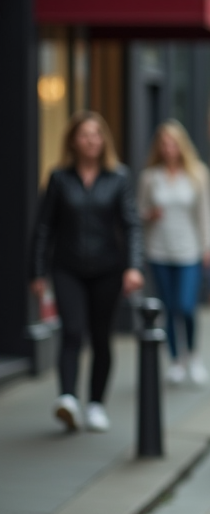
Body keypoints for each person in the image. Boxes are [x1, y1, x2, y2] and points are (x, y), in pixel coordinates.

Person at [29, 111, 145, 432]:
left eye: (96, 134)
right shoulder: (59, 178)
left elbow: (132, 225)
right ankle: (67, 398)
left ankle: (95, 403)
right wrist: (36, 273)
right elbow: (43, 228)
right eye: (84, 135)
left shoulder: (118, 178)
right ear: (73, 141)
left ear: (103, 140)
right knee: (72, 331)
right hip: (67, 268)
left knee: (100, 337)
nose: (91, 140)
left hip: (108, 269)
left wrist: (134, 267)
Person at [139, 120, 210, 385]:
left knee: (186, 306)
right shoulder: (151, 177)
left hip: (190, 251)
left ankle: (194, 356)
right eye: (164, 144)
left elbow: (206, 213)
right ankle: (175, 360)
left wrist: (208, 247)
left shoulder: (197, 174)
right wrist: (149, 214)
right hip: (159, 251)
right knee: (169, 308)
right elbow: (138, 213)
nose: (169, 148)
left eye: (173, 143)